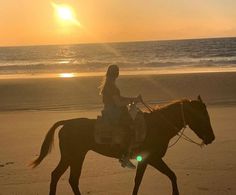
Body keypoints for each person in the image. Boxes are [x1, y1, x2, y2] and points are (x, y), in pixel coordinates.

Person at [99, 64, 142, 169]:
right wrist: (132, 101)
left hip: (111, 110)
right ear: (116, 74)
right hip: (113, 112)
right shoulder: (111, 86)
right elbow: (118, 103)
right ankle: (125, 157)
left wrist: (133, 99)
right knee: (129, 128)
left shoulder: (109, 84)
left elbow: (119, 98)